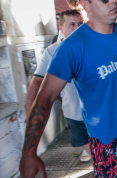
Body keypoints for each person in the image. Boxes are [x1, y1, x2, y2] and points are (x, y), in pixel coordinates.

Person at [19, 0, 117, 178]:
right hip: (105, 135)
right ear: (85, 5)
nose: (113, 0)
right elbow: (44, 99)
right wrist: (29, 153)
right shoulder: (71, 48)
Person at [25, 10, 90, 162]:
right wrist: (31, 114)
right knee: (97, 158)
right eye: (72, 24)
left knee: (105, 158)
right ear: (61, 28)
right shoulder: (52, 51)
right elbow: (37, 81)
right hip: (74, 115)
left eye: (80, 24)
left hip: (99, 113)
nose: (77, 28)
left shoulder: (93, 47)